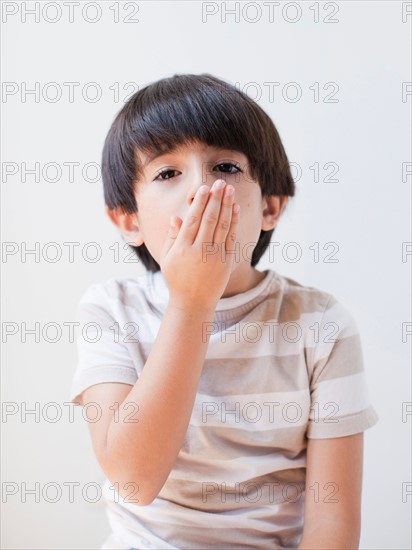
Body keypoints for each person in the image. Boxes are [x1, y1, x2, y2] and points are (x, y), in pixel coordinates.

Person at [70, 73, 379, 550]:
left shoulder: (321, 326)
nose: (202, 189)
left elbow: (332, 525)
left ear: (270, 207)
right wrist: (192, 302)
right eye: (168, 173)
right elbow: (134, 480)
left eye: (227, 168)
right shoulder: (111, 310)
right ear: (129, 219)